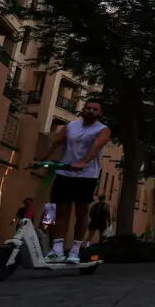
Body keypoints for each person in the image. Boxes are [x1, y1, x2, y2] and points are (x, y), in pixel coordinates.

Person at [36, 99, 111, 264]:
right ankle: (57, 249)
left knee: (81, 212)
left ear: (100, 113)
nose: (91, 111)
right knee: (61, 211)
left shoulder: (103, 129)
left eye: (95, 109)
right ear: (83, 110)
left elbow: (97, 146)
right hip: (64, 172)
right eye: (88, 108)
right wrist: (39, 160)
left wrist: (83, 162)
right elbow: (55, 142)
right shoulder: (71, 126)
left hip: (86, 176)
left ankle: (75, 250)